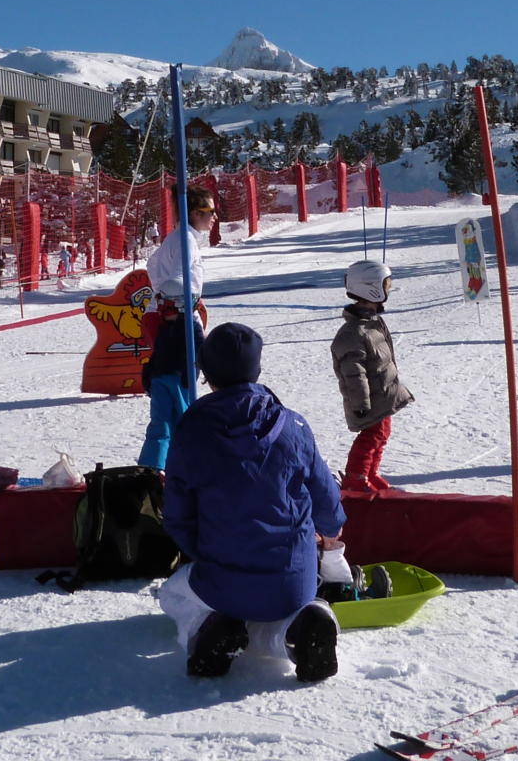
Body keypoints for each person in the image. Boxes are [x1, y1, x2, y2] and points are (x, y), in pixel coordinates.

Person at [160, 322, 347, 683]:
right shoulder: (293, 426)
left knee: (172, 596)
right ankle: (295, 631)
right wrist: (329, 532)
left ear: (206, 372)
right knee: (281, 608)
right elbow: (329, 508)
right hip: (296, 579)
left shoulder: (192, 430)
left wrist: (203, 551)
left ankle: (206, 629)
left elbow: (178, 516)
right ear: (257, 368)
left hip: (222, 575)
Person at [139, 185, 217, 469]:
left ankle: (157, 466)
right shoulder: (185, 240)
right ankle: (180, 467)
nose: (214, 217)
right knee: (180, 403)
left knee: (167, 407)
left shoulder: (181, 239)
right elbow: (175, 286)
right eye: (209, 212)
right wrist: (182, 309)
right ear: (195, 213)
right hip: (175, 323)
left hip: (171, 319)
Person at [331, 260, 415, 493]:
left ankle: (370, 473)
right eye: (386, 286)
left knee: (382, 433)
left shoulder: (371, 323)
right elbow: (353, 373)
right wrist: (360, 404)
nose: (389, 290)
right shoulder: (353, 332)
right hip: (370, 399)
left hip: (383, 393)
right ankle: (355, 477)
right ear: (372, 288)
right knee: (372, 435)